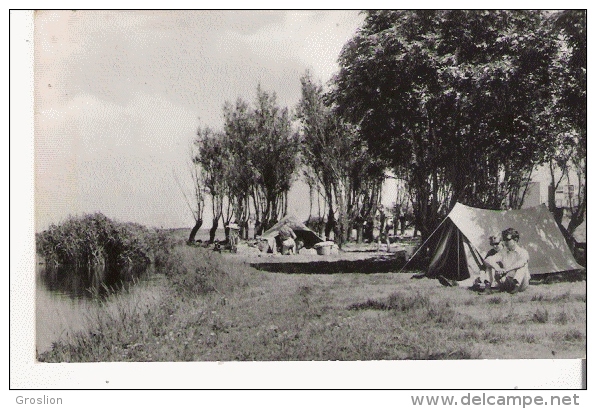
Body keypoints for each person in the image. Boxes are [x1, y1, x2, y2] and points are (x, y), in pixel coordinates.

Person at [484, 228, 530, 294]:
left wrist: (507, 270)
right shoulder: (503, 251)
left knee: (523, 266)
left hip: (521, 283)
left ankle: (516, 289)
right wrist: (497, 268)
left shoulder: (523, 252)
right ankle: (487, 289)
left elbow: (521, 263)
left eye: (507, 240)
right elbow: (488, 260)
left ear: (515, 240)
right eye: (504, 240)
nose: (505, 242)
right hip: (508, 280)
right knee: (490, 264)